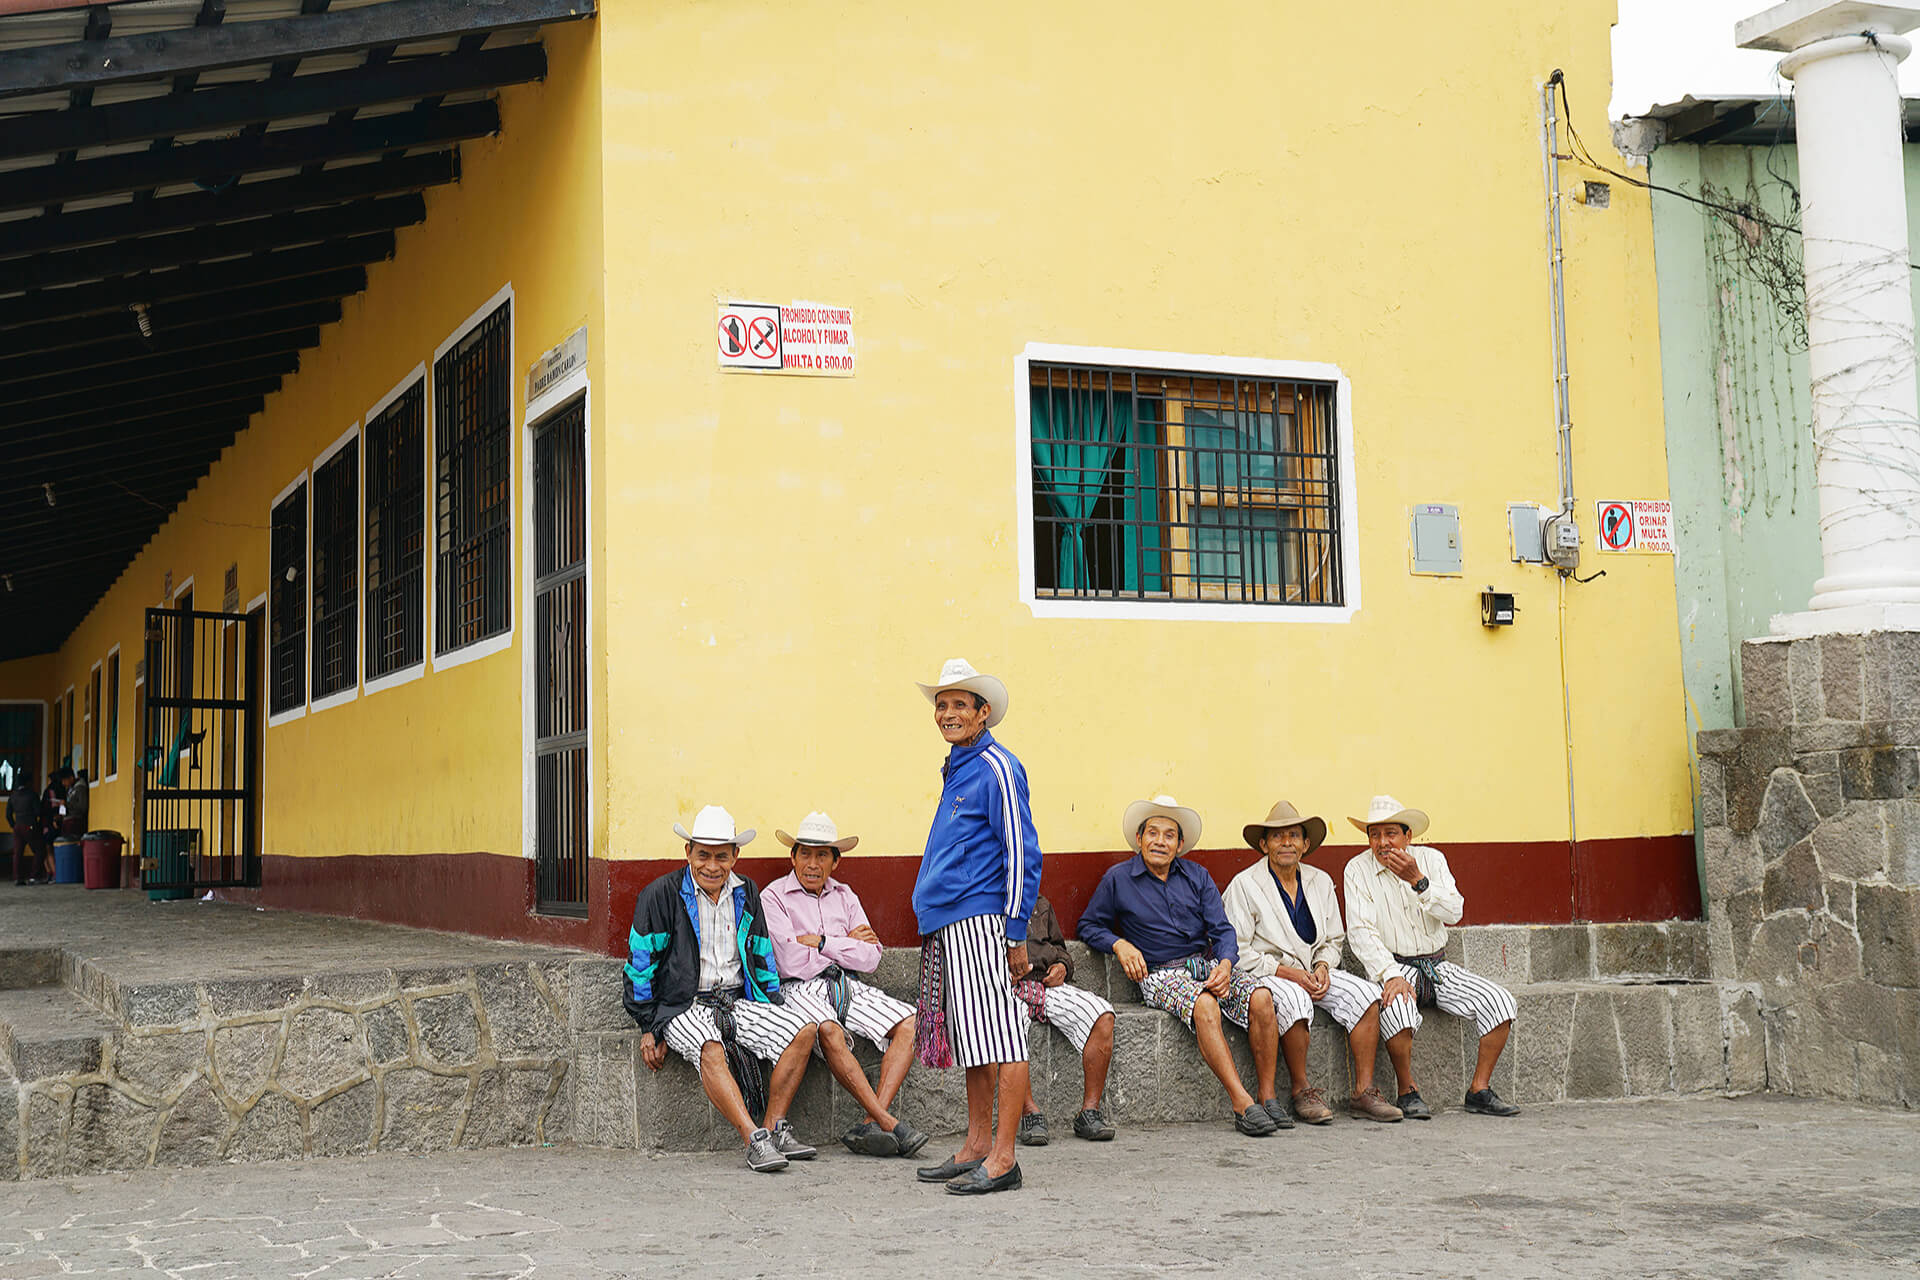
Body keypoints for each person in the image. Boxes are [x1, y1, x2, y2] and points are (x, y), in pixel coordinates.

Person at [622, 804, 821, 1173]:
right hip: (683, 1004)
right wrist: (648, 1025)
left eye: (721, 857)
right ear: (688, 853)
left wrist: (774, 1003)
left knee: (803, 1030)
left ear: (735, 856)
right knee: (709, 1047)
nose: (712, 866)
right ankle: (753, 1139)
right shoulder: (660, 894)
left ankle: (773, 1127)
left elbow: (761, 953)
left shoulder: (747, 891)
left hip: (736, 999)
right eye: (703, 855)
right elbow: (640, 964)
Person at [1077, 794, 1290, 1136]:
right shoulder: (1118, 879)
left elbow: (1222, 930)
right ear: (1139, 839)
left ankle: (1267, 1095)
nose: (1160, 841)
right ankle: (1242, 1103)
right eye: (1153, 833)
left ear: (1180, 844)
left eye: (1169, 835)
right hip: (1159, 973)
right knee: (1204, 1004)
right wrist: (1120, 944)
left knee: (1262, 997)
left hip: (1204, 965)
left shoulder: (1197, 876)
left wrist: (1224, 964)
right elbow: (1088, 925)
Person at [910, 657, 1042, 1195]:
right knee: (974, 1042)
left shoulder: (997, 768)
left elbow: (1022, 852)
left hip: (982, 922)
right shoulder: (960, 766)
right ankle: (976, 1145)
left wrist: (1014, 931)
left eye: (959, 704)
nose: (947, 713)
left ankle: (1004, 1157)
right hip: (952, 924)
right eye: (941, 705)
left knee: (1004, 1039)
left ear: (984, 713)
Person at [1223, 801, 1407, 1124]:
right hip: (1268, 972)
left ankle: (1363, 1091)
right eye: (1277, 836)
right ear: (1264, 844)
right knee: (1294, 999)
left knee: (1366, 996)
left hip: (1312, 970)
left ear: (1305, 844)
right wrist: (1286, 973)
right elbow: (1237, 950)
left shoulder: (1320, 881)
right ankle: (1301, 1089)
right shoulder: (1245, 885)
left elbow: (1334, 939)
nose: (1286, 843)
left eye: (1294, 835)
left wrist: (1323, 966)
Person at [760, 809, 929, 1159]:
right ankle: (888, 1122)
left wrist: (821, 942)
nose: (812, 863)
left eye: (821, 855)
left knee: (913, 1023)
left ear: (834, 862)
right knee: (829, 1030)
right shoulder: (773, 896)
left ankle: (870, 1121)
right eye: (804, 853)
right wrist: (846, 943)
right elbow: (789, 961)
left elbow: (871, 958)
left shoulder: (845, 895)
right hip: (799, 989)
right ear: (792, 857)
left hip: (846, 983)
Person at [1343, 794, 1522, 1119]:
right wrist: (1389, 973)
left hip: (1437, 964)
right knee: (1396, 1011)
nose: (1382, 842)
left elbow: (1454, 911)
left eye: (1391, 833)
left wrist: (1418, 881)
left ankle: (1479, 1090)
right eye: (1374, 834)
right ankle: (1407, 1090)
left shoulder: (1433, 861)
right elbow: (1360, 930)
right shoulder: (1357, 869)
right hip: (1394, 966)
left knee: (1500, 1002)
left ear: (1408, 836)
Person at [1010, 894, 1116, 1144]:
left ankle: (1089, 1112)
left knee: (1102, 1014)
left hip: (1047, 984)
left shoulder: (1040, 902)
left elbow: (1060, 950)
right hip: (1006, 987)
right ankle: (1028, 1113)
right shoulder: (983, 901)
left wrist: (1062, 967)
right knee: (1008, 1022)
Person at [8, 770, 47, 886]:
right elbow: (38, 812)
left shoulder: (13, 796)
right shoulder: (32, 794)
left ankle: (17, 878)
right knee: (40, 850)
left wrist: (13, 825)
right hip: (30, 825)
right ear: (28, 782)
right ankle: (34, 876)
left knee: (18, 853)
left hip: (17, 826)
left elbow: (8, 814)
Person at [65, 769, 89, 838]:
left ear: (71, 778)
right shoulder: (71, 789)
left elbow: (83, 807)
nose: (63, 783)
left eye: (65, 780)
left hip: (76, 821)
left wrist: (67, 805)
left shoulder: (80, 788)